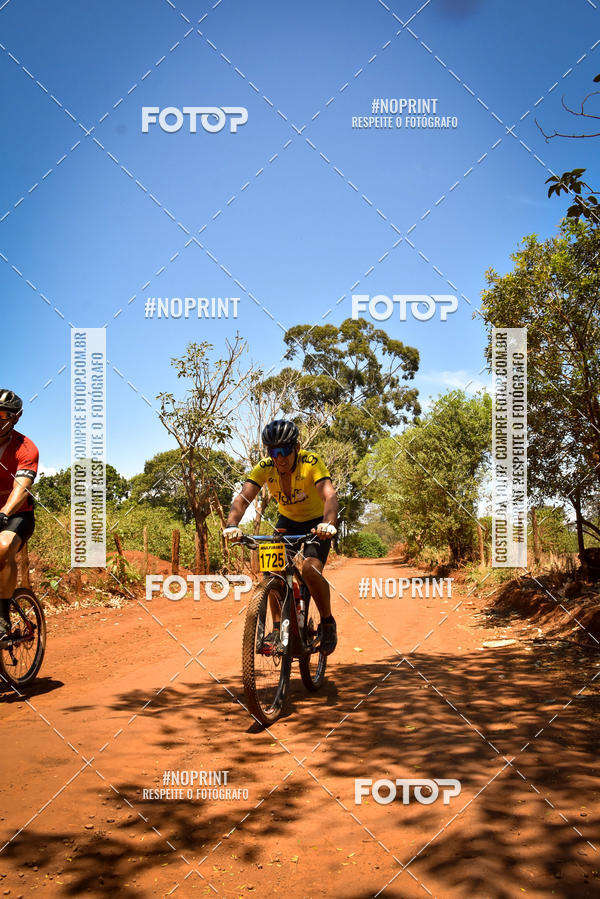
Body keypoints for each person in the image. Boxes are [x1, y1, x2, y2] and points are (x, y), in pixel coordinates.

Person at [223, 420, 339, 655]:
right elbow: (243, 499)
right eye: (273, 452)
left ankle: (327, 623)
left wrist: (327, 524)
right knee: (272, 568)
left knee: (310, 570)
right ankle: (277, 629)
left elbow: (329, 496)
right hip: (287, 522)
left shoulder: (311, 462)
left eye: (285, 451)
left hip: (317, 522)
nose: (280, 458)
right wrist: (231, 525)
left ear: (296, 447)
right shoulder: (265, 467)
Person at [0, 390, 39, 642]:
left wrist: (4, 512)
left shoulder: (26, 448)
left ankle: (2, 617)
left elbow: (21, 487)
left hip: (17, 516)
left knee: (2, 547)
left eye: (2, 414)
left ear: (16, 417)